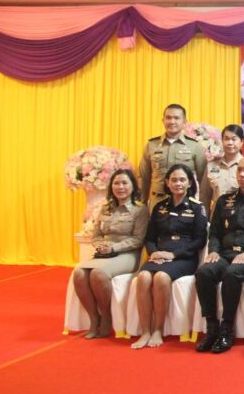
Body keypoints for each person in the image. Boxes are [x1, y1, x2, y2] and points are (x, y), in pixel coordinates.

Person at [194, 156, 244, 354]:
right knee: (204, 272)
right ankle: (211, 327)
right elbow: (214, 232)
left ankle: (226, 328)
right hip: (224, 254)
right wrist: (213, 251)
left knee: (232, 273)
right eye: (239, 170)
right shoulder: (224, 200)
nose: (242, 175)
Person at [132, 164, 208, 349]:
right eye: (174, 180)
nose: (178, 183)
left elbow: (199, 240)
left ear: (189, 183)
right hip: (159, 256)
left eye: (182, 180)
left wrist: (173, 254)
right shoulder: (160, 207)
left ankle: (158, 330)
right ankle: (145, 331)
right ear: (167, 182)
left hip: (183, 258)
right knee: (143, 277)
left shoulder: (197, 208)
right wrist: (154, 253)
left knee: (161, 277)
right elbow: (149, 238)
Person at [71, 169, 149, 339]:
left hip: (128, 254)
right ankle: (94, 318)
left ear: (133, 186)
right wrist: (99, 245)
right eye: (116, 183)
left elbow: (138, 239)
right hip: (104, 254)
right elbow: (96, 234)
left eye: (124, 183)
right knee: (78, 273)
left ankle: (106, 317)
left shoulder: (140, 210)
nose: (120, 187)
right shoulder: (106, 208)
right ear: (111, 186)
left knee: (98, 274)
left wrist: (114, 248)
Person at [139, 104, 207, 208]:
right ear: (163, 120)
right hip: (157, 202)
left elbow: (203, 181)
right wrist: (142, 204)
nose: (172, 121)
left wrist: (203, 207)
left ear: (184, 122)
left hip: (185, 204)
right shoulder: (151, 145)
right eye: (168, 118)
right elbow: (144, 178)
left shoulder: (195, 146)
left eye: (176, 118)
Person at [199, 124, 244, 212]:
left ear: (242, 142)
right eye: (226, 139)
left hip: (240, 214)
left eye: (234, 139)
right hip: (217, 215)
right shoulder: (211, 165)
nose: (230, 143)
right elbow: (204, 196)